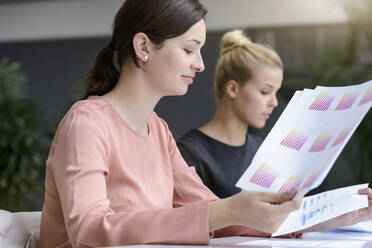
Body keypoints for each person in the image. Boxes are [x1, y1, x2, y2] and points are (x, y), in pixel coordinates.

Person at [38, 2, 304, 248]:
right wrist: (225, 211)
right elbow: (88, 230)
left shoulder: (159, 131)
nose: (200, 65)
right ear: (143, 47)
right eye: (189, 49)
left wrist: (303, 218)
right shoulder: (87, 123)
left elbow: (210, 210)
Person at [177, 29, 372, 230]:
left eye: (275, 93)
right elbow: (190, 223)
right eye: (265, 91)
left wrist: (347, 213)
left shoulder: (264, 151)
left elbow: (281, 221)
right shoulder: (187, 154)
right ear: (233, 89)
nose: (273, 103)